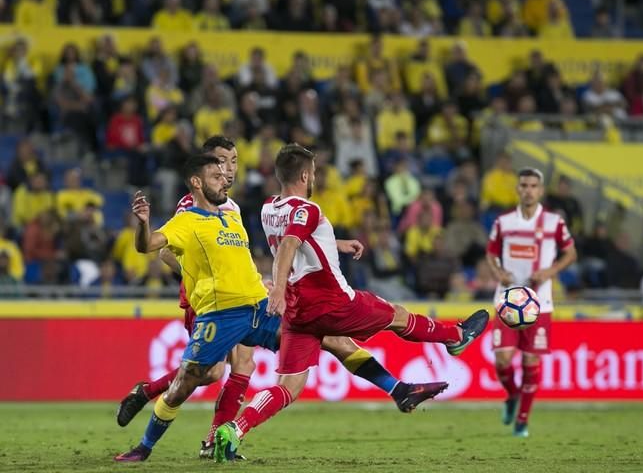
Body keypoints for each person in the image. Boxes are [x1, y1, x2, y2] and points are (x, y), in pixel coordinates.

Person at [115, 141, 439, 461]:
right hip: (212, 306)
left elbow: (257, 249)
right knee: (206, 375)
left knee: (326, 339)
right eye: (220, 164)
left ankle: (397, 389)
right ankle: (147, 406)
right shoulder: (189, 210)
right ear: (201, 175)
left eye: (233, 162)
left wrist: (319, 250)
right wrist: (205, 277)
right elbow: (165, 252)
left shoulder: (231, 210)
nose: (228, 171)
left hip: (254, 301)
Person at [212, 143, 489, 462]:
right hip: (333, 302)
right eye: (313, 173)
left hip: (298, 311)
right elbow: (290, 243)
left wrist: (335, 244)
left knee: (288, 387)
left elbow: (296, 239)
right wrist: (275, 290)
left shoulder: (268, 208)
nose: (314, 178)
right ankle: (456, 338)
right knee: (397, 315)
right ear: (304, 175)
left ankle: (235, 429)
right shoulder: (309, 209)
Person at [485, 167, 577, 438]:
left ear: (541, 190)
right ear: (517, 189)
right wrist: (498, 272)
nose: (528, 190)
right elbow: (491, 253)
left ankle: (522, 420)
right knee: (502, 360)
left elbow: (571, 253)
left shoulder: (554, 222)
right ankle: (513, 395)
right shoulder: (503, 222)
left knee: (530, 363)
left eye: (533, 186)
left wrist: (549, 272)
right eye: (523, 185)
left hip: (540, 304)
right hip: (507, 301)